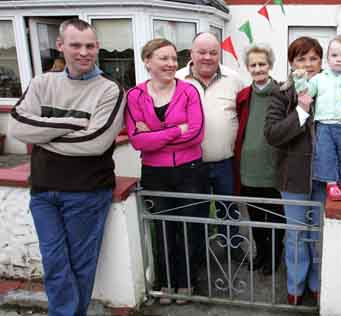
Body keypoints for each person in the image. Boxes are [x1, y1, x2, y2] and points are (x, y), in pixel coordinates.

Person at [8, 18, 125, 316]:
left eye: (89, 45)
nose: (83, 52)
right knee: (54, 264)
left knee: (80, 265)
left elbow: (96, 143)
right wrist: (74, 123)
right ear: (60, 46)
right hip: (44, 192)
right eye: (75, 45)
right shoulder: (41, 83)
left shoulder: (110, 90)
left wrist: (44, 135)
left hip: (87, 193)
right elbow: (18, 126)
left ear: (97, 47)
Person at [125, 38, 207, 304]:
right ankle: (165, 283)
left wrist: (156, 135)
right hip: (155, 172)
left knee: (187, 228)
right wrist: (175, 130)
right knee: (161, 228)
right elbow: (137, 140)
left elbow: (195, 134)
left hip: (189, 170)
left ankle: (186, 283)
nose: (171, 64)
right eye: (164, 58)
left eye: (174, 58)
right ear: (147, 61)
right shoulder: (135, 96)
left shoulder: (189, 91)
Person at [264, 36, 326, 305]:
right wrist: (301, 110)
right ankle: (295, 287)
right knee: (298, 234)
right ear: (292, 63)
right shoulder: (282, 92)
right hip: (294, 176)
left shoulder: (334, 88)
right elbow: (272, 134)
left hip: (327, 177)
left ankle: (318, 284)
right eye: (302, 59)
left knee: (320, 235)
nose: (309, 64)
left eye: (314, 58)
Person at [175, 32, 244, 248]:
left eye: (213, 52)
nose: (207, 57)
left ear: (219, 54)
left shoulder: (234, 79)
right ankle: (199, 254)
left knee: (229, 210)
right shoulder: (176, 80)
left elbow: (244, 114)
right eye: (202, 52)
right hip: (191, 163)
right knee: (196, 210)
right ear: (191, 53)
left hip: (225, 161)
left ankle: (231, 248)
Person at [293, 35, 341, 201]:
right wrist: (299, 80)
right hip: (325, 125)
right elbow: (306, 92)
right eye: (334, 56)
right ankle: (331, 183)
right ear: (327, 59)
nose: (339, 60)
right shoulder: (319, 79)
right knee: (326, 154)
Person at [234, 43, 284, 275]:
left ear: (270, 65)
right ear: (247, 68)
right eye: (253, 65)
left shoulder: (283, 92)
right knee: (254, 217)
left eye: (262, 64)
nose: (257, 68)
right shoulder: (243, 96)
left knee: (275, 218)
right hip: (249, 168)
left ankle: (274, 256)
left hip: (275, 167)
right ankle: (260, 253)